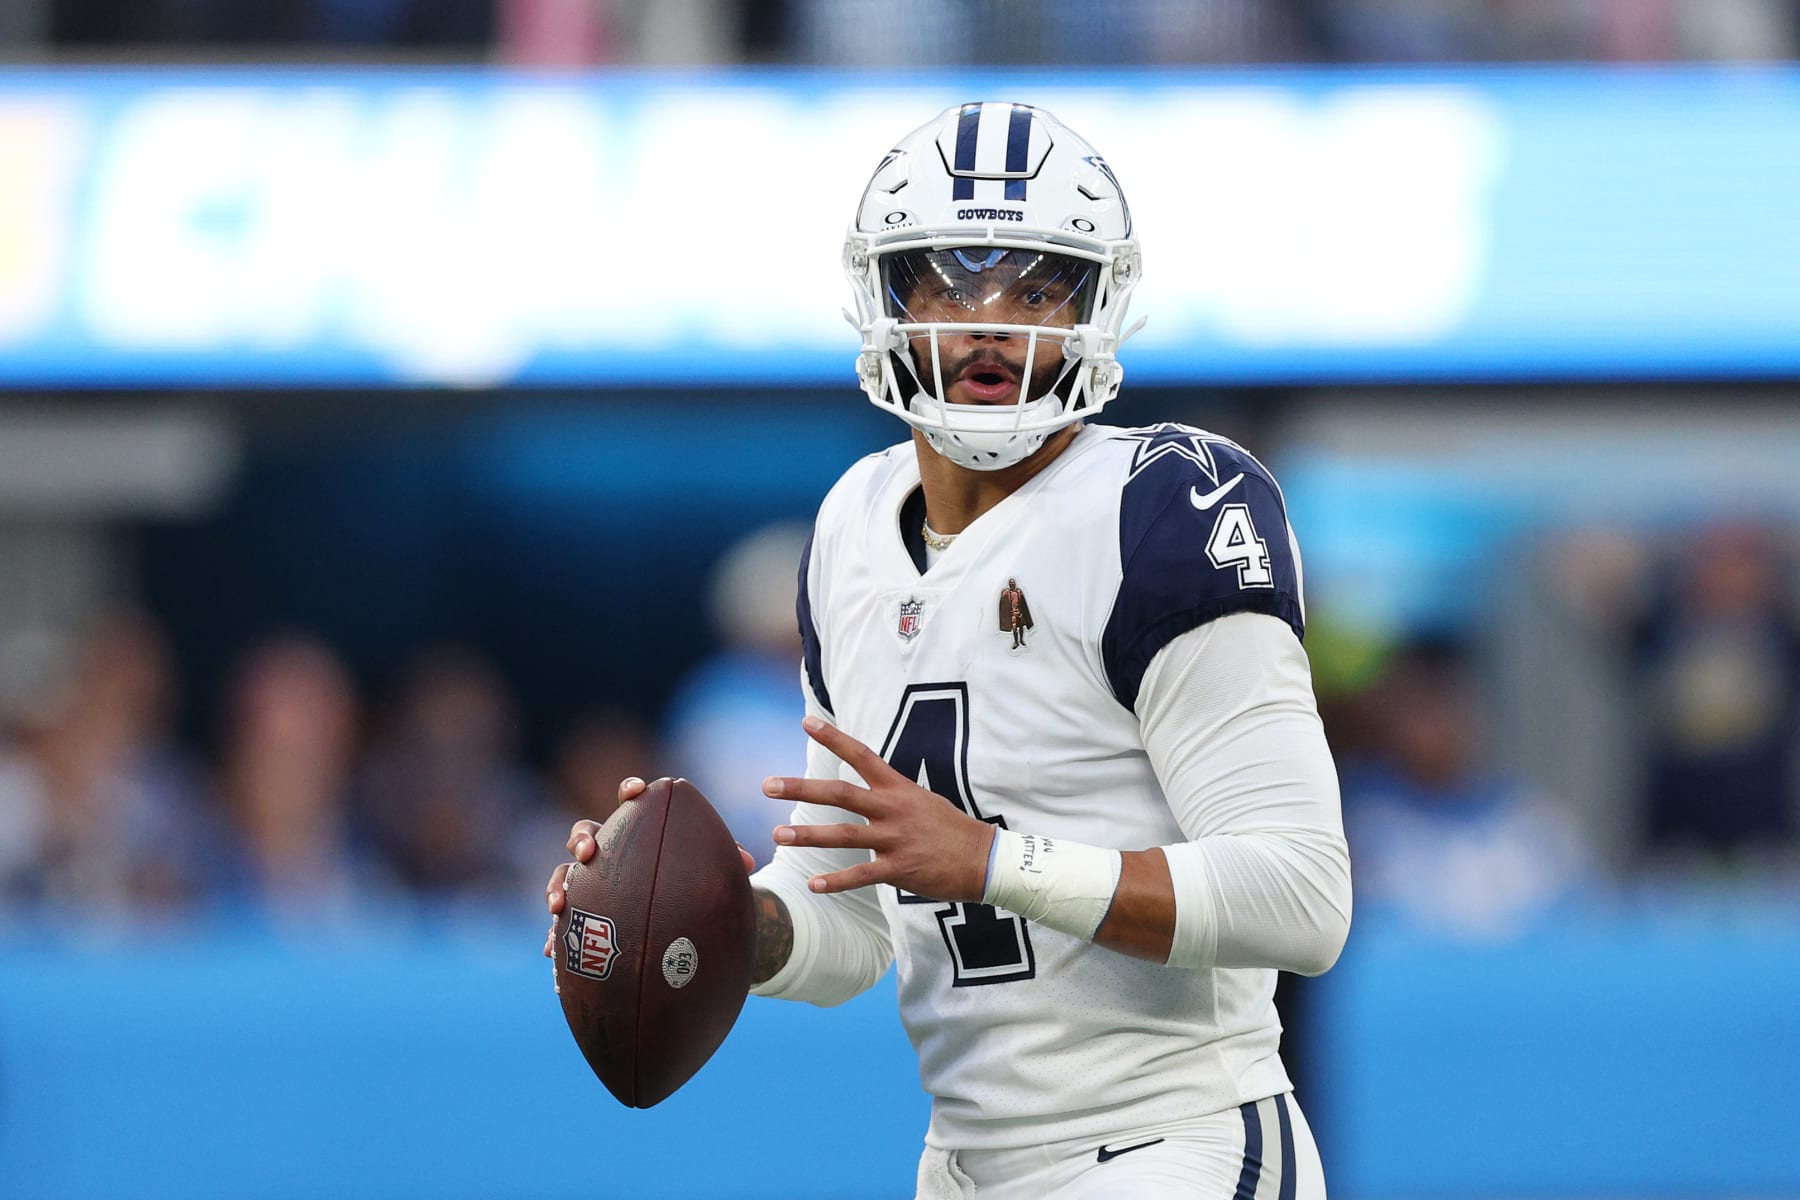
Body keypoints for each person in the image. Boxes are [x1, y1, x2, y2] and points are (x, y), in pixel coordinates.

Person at [545, 102, 1351, 1199]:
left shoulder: (1165, 507)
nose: (991, 324)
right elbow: (855, 916)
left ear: (1096, 306)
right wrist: (717, 921)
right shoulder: (850, 526)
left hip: (1172, 1140)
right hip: (964, 1163)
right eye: (951, 284)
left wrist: (991, 861)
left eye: (1037, 288)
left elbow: (1301, 896)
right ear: (888, 298)